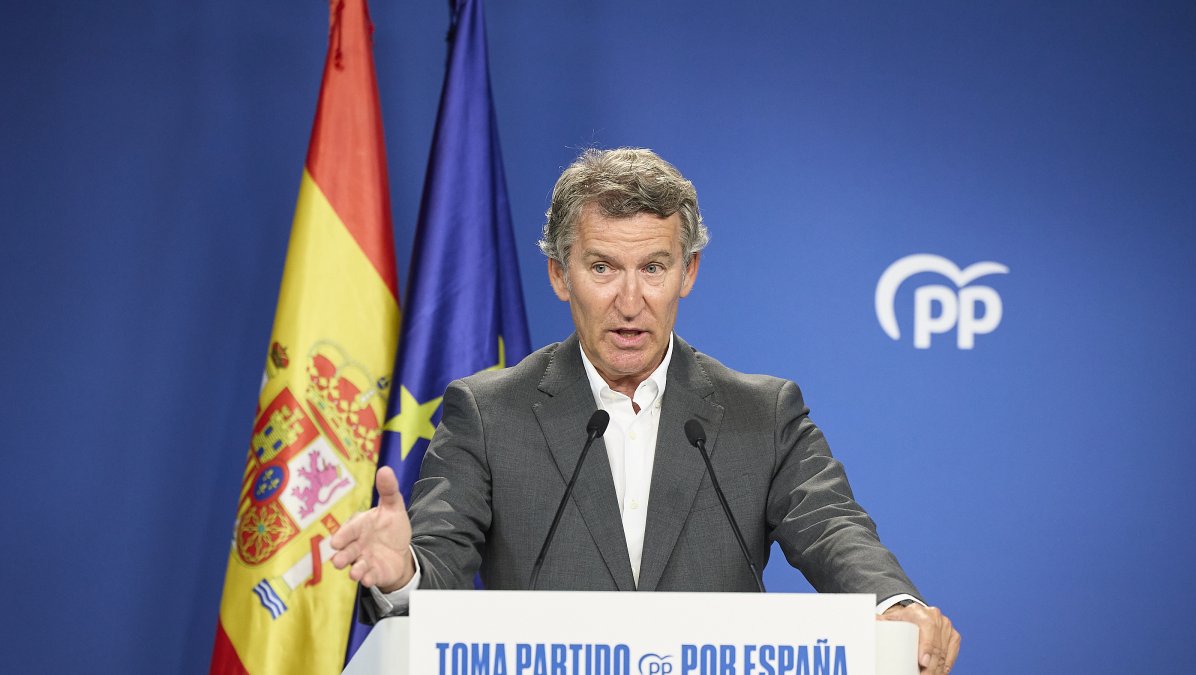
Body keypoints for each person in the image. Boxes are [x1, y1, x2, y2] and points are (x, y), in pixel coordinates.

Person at [331, 148, 961, 672]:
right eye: (602, 267)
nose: (630, 301)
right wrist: (400, 573)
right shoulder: (489, 413)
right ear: (559, 274)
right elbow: (436, 563)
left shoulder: (762, 414)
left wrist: (893, 604)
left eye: (653, 267)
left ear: (687, 271)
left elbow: (832, 527)